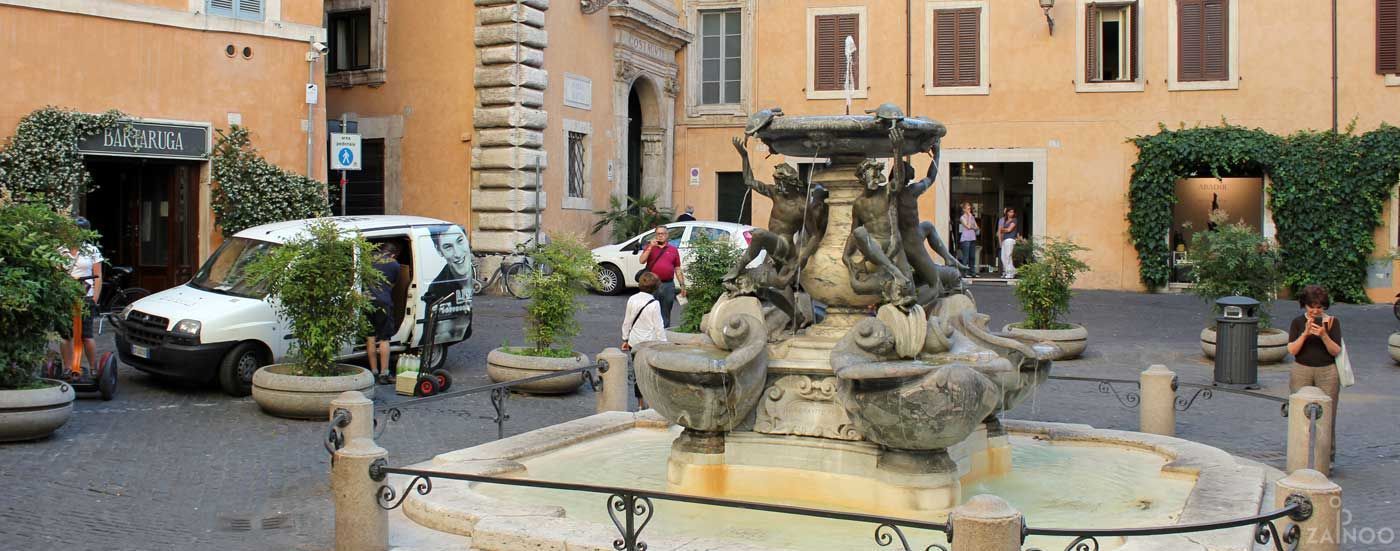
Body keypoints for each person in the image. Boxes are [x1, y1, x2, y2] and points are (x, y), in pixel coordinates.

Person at [1285, 285, 1342, 457]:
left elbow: (1335, 351)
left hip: (1327, 372)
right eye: (1312, 306)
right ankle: (1300, 455)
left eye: (1319, 307)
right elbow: (1292, 350)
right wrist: (1305, 333)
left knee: (1327, 415)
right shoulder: (1297, 322)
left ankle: (1327, 457)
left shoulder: (1332, 322)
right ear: (1305, 305)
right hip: (1301, 370)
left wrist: (1324, 335)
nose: (1315, 310)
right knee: (1299, 412)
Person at [59, 217, 102, 375]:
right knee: (65, 334)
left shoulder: (92, 250)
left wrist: (95, 298)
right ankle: (68, 368)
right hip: (66, 296)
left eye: (78, 231)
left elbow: (98, 275)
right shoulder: (61, 251)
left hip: (86, 297)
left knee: (86, 335)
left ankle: (93, 369)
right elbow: (56, 274)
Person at [621, 272, 667, 410]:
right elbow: (659, 326)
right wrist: (664, 343)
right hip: (649, 343)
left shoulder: (632, 299)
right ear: (655, 288)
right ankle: (652, 403)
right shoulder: (655, 304)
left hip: (634, 342)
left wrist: (625, 338)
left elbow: (627, 322)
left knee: (637, 374)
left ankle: (640, 404)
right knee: (650, 374)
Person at [422, 227, 472, 346]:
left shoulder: (470, 273)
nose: (458, 254)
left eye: (460, 241)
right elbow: (431, 336)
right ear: (439, 251)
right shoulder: (438, 289)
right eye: (448, 247)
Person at [367, 242, 401, 384]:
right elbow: (393, 283)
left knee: (370, 337)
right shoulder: (394, 264)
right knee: (384, 339)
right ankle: (384, 373)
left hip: (367, 301)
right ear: (393, 254)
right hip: (383, 302)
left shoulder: (368, 259)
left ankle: (373, 372)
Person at [639, 225, 685, 327]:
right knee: (650, 310)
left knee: (666, 311)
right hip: (652, 285)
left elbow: (677, 268)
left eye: (662, 233)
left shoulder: (673, 249)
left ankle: (664, 334)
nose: (660, 236)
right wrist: (650, 247)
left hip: (668, 285)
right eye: (658, 234)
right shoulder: (650, 247)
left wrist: (682, 285)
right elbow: (641, 260)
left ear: (667, 235)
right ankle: (651, 333)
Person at [997, 208, 1020, 279]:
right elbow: (1000, 232)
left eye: (1012, 212)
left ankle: (1010, 274)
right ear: (1007, 213)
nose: (1011, 213)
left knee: (1008, 256)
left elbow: (1009, 229)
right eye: (1010, 212)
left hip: (1010, 239)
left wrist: (1001, 229)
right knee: (1003, 257)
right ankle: (1012, 271)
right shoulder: (1005, 221)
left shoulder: (1014, 220)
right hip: (1004, 240)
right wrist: (1000, 241)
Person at [958, 203, 979, 277]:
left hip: (972, 238)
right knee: (965, 257)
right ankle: (964, 273)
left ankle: (972, 272)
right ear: (964, 209)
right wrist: (969, 217)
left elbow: (976, 227)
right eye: (968, 208)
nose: (969, 210)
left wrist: (972, 225)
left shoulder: (972, 217)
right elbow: (968, 226)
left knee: (972, 256)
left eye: (970, 209)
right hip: (965, 239)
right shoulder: (962, 217)